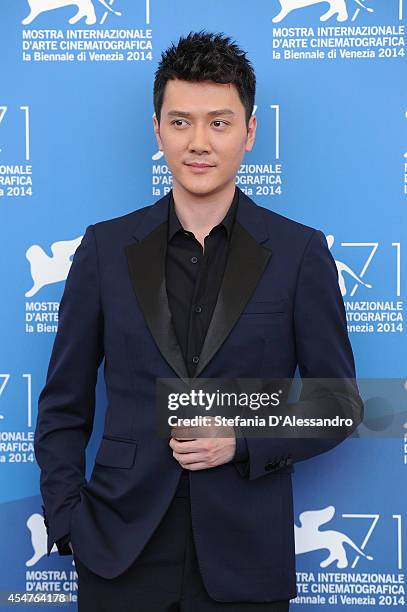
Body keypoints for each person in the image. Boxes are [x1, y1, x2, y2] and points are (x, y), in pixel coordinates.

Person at [34, 30, 363, 612]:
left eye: (219, 121)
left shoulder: (299, 253)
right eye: (181, 122)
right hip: (118, 547)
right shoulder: (105, 249)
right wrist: (67, 519)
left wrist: (240, 441)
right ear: (157, 130)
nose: (199, 142)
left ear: (249, 131)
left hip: (245, 555)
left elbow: (338, 402)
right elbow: (63, 402)